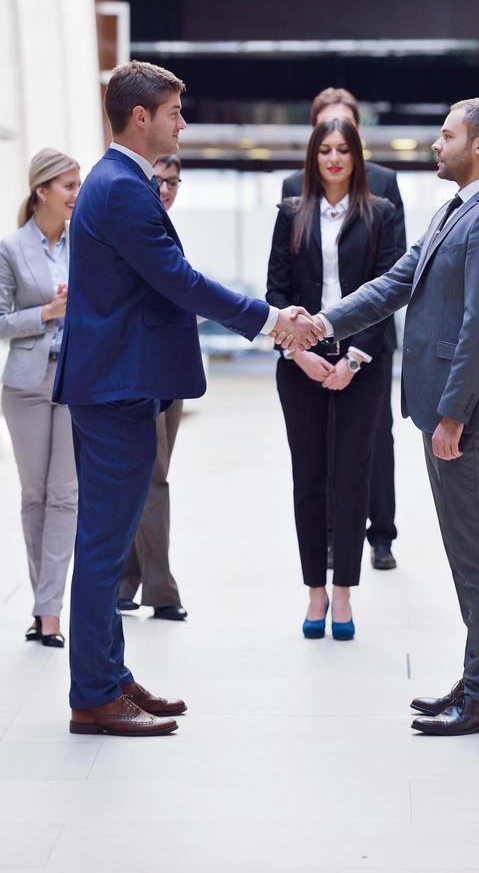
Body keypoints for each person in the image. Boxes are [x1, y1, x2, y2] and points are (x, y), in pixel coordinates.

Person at [54, 59, 322, 738]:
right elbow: (177, 279)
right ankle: (92, 693)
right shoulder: (119, 188)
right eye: (175, 111)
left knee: (109, 539)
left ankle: (109, 678)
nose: (184, 122)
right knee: (105, 545)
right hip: (114, 386)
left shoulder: (122, 182)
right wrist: (270, 320)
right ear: (140, 118)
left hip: (118, 382)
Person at [314, 98, 479, 735]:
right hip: (440, 411)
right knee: (465, 550)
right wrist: (322, 323)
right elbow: (394, 285)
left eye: (447, 135)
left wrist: (453, 416)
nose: (436, 145)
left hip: (462, 419)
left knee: (478, 553)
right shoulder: (454, 211)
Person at [267, 117, 396, 639]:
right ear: (313, 158)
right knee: (309, 479)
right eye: (325, 150)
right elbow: (275, 294)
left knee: (351, 478)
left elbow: (390, 291)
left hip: (361, 366)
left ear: (356, 156)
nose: (335, 158)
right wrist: (298, 353)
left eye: (344, 149)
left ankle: (343, 593)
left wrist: (354, 358)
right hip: (300, 364)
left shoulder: (381, 213)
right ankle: (314, 592)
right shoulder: (291, 213)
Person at [282, 87, 406, 570]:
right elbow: (289, 273)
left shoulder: (384, 188)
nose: (335, 152)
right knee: (318, 449)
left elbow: (392, 271)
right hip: (309, 338)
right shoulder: (295, 189)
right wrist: (296, 343)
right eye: (325, 135)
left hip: (370, 338)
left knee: (375, 438)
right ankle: (330, 535)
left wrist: (359, 350)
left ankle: (381, 534)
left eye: (345, 131)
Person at [0, 149, 80, 649]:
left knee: (66, 497)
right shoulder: (11, 249)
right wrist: (48, 312)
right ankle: (42, 602)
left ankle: (49, 611)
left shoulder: (87, 243)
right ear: (42, 191)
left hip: (77, 380)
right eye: (68, 185)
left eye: (78, 184)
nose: (76, 194)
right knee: (34, 498)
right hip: (26, 385)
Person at [118, 153, 188, 621]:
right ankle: (160, 590)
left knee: (150, 477)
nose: (165, 189)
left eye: (173, 182)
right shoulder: (140, 227)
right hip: (140, 371)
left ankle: (127, 581)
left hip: (170, 371)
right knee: (152, 478)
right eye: (158, 180)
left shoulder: (166, 229)